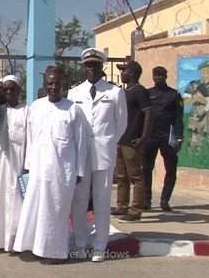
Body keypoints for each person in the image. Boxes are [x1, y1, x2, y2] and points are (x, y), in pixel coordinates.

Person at [14, 66, 88, 264]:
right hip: (38, 170)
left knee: (56, 212)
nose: (54, 87)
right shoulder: (36, 107)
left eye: (57, 83)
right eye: (50, 84)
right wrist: (28, 165)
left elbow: (81, 142)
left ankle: (56, 253)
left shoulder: (73, 110)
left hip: (61, 172)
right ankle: (33, 247)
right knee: (35, 209)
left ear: (62, 85)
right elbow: (31, 138)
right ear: (45, 85)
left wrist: (79, 171)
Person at [68, 48, 127, 263]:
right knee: (79, 202)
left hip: (104, 154)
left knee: (102, 203)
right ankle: (81, 244)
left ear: (102, 66)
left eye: (95, 65)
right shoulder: (74, 93)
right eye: (88, 65)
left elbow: (121, 124)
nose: (91, 69)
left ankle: (100, 247)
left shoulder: (114, 93)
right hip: (81, 155)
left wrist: (109, 142)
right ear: (84, 67)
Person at [0, 75, 28, 252]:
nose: (9, 92)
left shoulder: (27, 110)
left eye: (13, 89)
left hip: (19, 164)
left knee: (18, 203)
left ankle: (16, 242)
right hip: (1, 163)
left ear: (19, 91)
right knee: (0, 199)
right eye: (6, 90)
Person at [113, 60, 153, 223]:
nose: (121, 73)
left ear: (132, 74)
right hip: (121, 140)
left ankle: (136, 210)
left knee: (136, 176)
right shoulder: (123, 92)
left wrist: (143, 137)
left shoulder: (139, 91)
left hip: (132, 140)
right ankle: (121, 206)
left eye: (124, 71)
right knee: (121, 176)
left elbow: (149, 114)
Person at [144, 66, 184, 212]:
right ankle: (146, 200)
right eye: (155, 75)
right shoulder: (148, 94)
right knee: (146, 169)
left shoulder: (174, 95)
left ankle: (165, 200)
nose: (158, 78)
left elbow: (178, 118)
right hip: (150, 136)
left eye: (160, 75)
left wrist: (179, 138)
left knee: (171, 169)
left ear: (166, 76)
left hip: (168, 137)